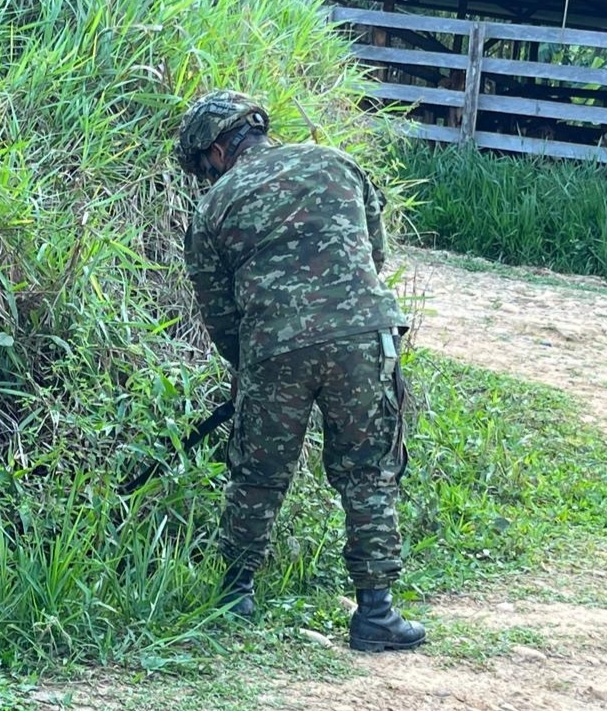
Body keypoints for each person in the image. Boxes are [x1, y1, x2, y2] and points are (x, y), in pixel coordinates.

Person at [174, 90, 425, 652]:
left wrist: (247, 367)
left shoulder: (213, 207)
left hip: (273, 349)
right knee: (369, 472)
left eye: (201, 166)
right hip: (363, 337)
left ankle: (235, 596)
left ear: (217, 150)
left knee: (257, 474)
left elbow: (219, 311)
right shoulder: (336, 163)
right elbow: (372, 254)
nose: (202, 176)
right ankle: (376, 615)